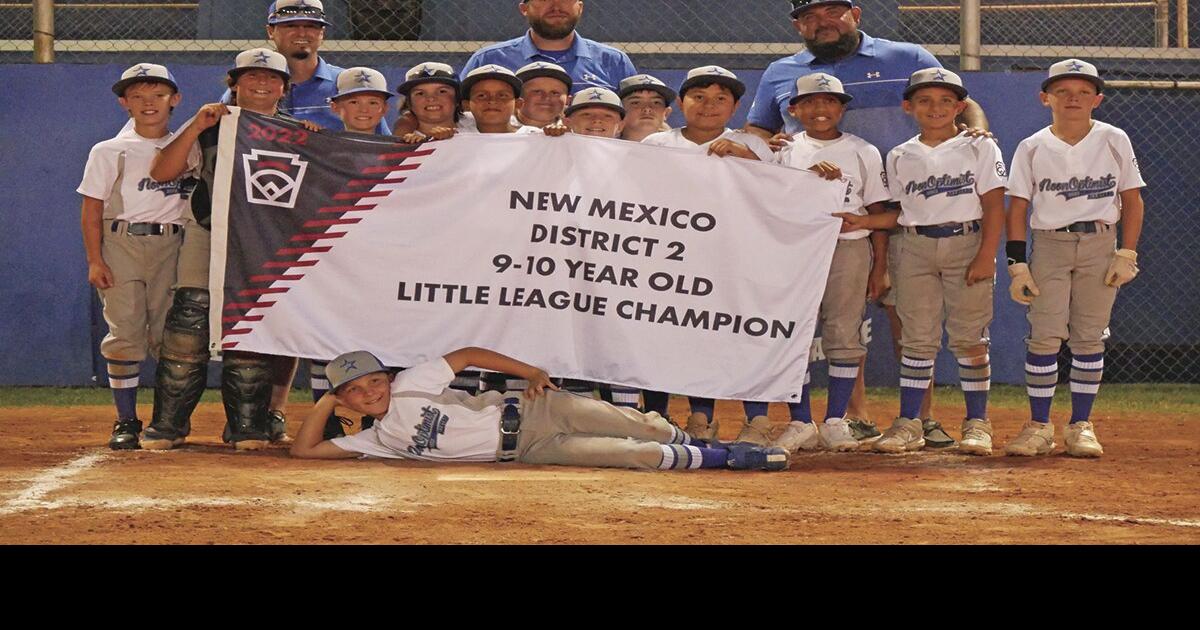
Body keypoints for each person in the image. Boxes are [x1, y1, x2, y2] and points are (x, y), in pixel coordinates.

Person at [747, 0, 992, 447]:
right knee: (848, 318)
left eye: (831, 12)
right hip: (835, 221)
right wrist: (768, 145)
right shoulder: (781, 72)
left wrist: (978, 129)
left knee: (908, 318)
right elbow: (761, 130)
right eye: (809, 17)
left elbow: (962, 103)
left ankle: (920, 417)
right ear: (798, 25)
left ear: (855, 14)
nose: (821, 22)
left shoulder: (908, 57)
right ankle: (854, 416)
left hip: (913, 209)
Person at [144, 48, 317, 450]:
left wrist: (312, 142)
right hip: (208, 232)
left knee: (250, 328)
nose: (261, 84)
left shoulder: (297, 133)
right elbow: (161, 172)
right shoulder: (209, 126)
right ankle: (168, 426)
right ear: (233, 84)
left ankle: (247, 425)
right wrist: (193, 126)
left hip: (263, 239)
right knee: (188, 323)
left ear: (283, 88)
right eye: (251, 77)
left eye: (271, 78)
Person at [840, 68, 1006, 455]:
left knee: (969, 338)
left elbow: (994, 205)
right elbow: (902, 212)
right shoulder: (901, 155)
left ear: (960, 107)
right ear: (908, 106)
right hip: (913, 246)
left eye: (946, 100)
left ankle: (978, 423)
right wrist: (865, 221)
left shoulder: (979, 146)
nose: (936, 108)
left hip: (966, 241)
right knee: (916, 339)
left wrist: (987, 255)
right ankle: (910, 422)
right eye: (925, 100)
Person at [289, 348, 790, 472]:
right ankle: (729, 460)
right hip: (530, 452)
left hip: (535, 412)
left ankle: (718, 447)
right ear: (345, 402)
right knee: (629, 454)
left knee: (637, 422)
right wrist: (327, 401)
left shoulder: (411, 386)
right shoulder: (373, 442)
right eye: (355, 392)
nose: (371, 392)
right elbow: (305, 452)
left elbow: (465, 354)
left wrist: (530, 372)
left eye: (375, 380)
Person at [1003, 59, 1145, 458]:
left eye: (1084, 92)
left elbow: (1132, 201)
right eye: (1063, 91)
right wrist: (1017, 264)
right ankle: (1038, 426)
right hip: (1049, 243)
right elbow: (1017, 208)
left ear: (1098, 99)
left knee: (1089, 336)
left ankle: (1081, 424)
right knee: (1045, 335)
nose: (1073, 99)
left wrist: (1126, 252)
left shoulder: (1114, 138)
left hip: (1101, 243)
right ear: (1044, 97)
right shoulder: (1032, 146)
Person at [641, 66, 775, 445]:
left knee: (740, 333)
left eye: (721, 98)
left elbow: (783, 195)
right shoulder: (656, 145)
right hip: (672, 257)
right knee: (674, 334)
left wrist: (745, 156)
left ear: (736, 105)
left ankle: (758, 421)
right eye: (699, 96)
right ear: (681, 102)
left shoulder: (754, 145)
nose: (709, 105)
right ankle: (689, 417)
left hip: (735, 258)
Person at [769, 73, 891, 453]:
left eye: (829, 102)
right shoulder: (784, 151)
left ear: (841, 108)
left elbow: (878, 211)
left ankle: (836, 419)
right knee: (795, 334)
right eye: (809, 103)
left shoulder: (863, 150)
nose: (820, 110)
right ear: (794, 109)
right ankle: (800, 420)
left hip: (848, 247)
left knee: (843, 331)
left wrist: (880, 266)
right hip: (797, 248)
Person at [78, 63, 193, 450]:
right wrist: (96, 259)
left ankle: (166, 421)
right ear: (124, 103)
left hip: (173, 244)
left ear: (174, 99)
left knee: (169, 335)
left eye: (158, 95)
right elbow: (92, 208)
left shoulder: (188, 146)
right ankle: (126, 419)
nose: (149, 103)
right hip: (122, 242)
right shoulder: (110, 150)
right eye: (138, 96)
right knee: (125, 330)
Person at [222, 1, 390, 134]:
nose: (301, 33)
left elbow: (381, 145)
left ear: (322, 33)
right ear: (270, 31)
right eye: (290, 26)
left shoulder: (350, 84)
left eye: (311, 26)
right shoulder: (251, 89)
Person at [459, 0, 636, 92]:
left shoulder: (614, 61)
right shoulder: (487, 60)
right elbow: (460, 116)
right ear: (524, 9)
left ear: (580, 7)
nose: (556, 6)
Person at [396, 62, 461, 144]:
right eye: (420, 93)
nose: (431, 98)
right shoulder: (407, 141)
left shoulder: (474, 126)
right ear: (409, 103)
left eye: (442, 91)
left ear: (458, 98)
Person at [617, 74, 675, 143]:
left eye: (656, 102)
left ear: (666, 113)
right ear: (619, 111)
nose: (647, 109)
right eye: (636, 102)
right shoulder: (603, 149)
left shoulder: (681, 149)